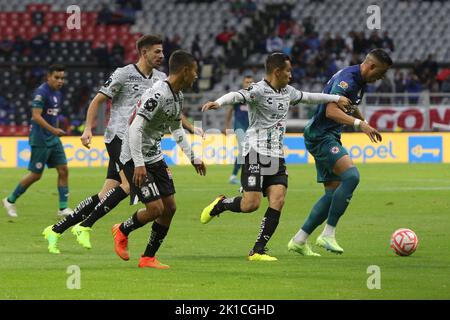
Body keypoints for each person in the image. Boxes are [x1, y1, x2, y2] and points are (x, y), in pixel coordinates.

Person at [42, 35, 201, 254]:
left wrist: (190, 127)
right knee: (128, 185)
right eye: (157, 51)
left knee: (104, 194)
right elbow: (97, 100)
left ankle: (56, 229)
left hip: (140, 141)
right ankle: (84, 226)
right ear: (143, 52)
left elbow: (172, 109)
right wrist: (88, 128)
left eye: (162, 52)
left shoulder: (162, 78)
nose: (161, 56)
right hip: (119, 137)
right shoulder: (123, 74)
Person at [200, 53, 352, 261]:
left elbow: (309, 97)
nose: (291, 75)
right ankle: (221, 204)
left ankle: (258, 250)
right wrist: (218, 102)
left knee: (278, 200)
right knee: (250, 205)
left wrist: (336, 98)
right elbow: (236, 95)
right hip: (255, 153)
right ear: (277, 71)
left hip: (277, 156)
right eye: (288, 71)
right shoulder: (258, 90)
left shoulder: (288, 92)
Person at [287, 48, 392, 256]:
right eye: (381, 72)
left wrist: (363, 122)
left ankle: (299, 240)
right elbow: (331, 110)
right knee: (351, 177)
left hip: (327, 135)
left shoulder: (359, 81)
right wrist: (358, 125)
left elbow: (349, 106)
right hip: (321, 135)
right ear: (371, 66)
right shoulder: (348, 79)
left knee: (332, 193)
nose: (382, 77)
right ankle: (328, 234)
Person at [112, 50, 206, 269]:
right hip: (133, 156)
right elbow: (135, 127)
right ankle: (122, 229)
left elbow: (176, 129)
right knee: (155, 209)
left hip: (153, 155)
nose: (196, 76)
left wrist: (193, 157)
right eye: (195, 72)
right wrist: (139, 164)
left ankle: (148, 258)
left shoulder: (177, 96)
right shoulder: (158, 94)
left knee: (170, 207)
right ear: (185, 71)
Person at [3, 64, 73, 218]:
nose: (60, 81)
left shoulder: (58, 94)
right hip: (40, 139)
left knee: (63, 170)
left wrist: (56, 130)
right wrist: (54, 130)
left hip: (52, 139)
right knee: (35, 175)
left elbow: (53, 116)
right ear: (48, 76)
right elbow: (36, 116)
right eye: (56, 77)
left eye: (62, 78)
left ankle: (62, 208)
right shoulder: (41, 93)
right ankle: (10, 200)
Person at [224, 75, 253, 184]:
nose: (248, 84)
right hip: (239, 126)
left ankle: (235, 176)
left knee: (245, 151)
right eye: (246, 82)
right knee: (243, 148)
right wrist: (226, 125)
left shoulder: (255, 97)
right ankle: (235, 176)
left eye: (250, 82)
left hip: (251, 128)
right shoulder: (238, 96)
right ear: (243, 83)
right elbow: (230, 110)